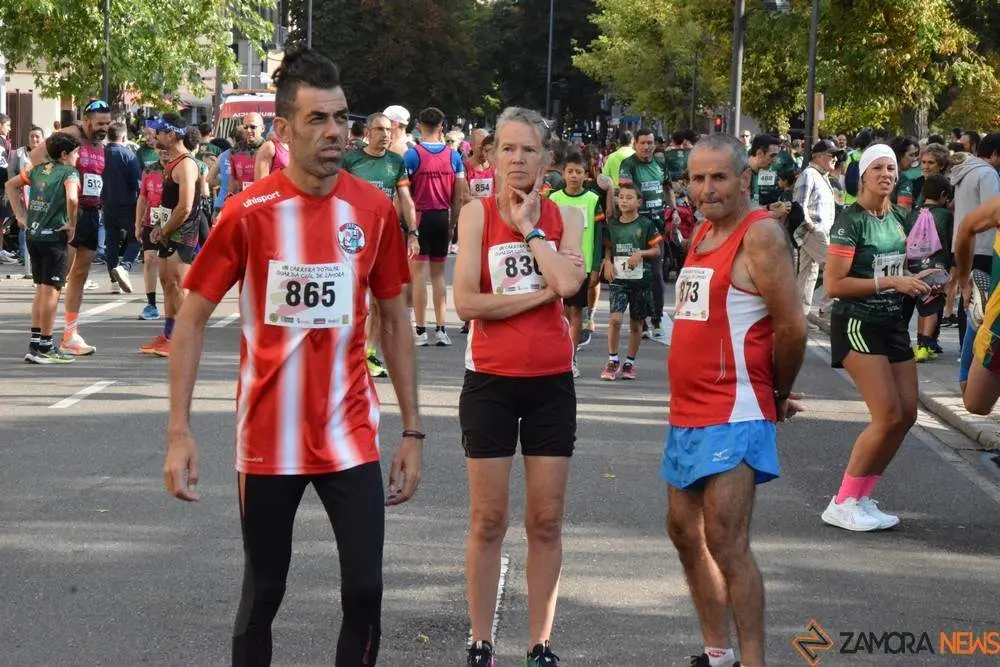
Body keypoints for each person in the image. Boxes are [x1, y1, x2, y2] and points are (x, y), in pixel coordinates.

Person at [162, 47, 422, 667]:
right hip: (267, 438)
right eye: (317, 120)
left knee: (365, 591)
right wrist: (179, 431)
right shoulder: (247, 214)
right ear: (282, 129)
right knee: (265, 592)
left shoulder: (375, 210)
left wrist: (412, 429)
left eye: (341, 118)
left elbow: (394, 317)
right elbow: (192, 319)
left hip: (349, 434)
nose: (334, 132)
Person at [664, 134, 806, 667]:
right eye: (698, 178)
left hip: (736, 412)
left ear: (744, 179)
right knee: (682, 531)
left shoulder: (761, 236)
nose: (707, 188)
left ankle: (752, 660)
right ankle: (716, 652)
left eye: (719, 177)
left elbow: (790, 328)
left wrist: (776, 393)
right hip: (688, 412)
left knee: (726, 539)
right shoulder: (702, 230)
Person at [453, 106, 585, 667]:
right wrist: (539, 296)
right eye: (506, 148)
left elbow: (571, 283)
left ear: (546, 159)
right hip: (490, 383)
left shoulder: (565, 218)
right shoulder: (477, 216)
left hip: (552, 384)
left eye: (528, 149)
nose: (517, 159)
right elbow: (466, 304)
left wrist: (532, 230)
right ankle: (481, 641)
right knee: (487, 519)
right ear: (490, 156)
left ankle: (539, 643)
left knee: (546, 520)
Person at [821, 144, 941, 532]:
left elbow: (899, 266)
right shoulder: (849, 221)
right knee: (886, 414)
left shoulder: (900, 218)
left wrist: (918, 280)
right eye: (878, 168)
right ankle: (841, 501)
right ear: (864, 176)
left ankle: (861, 495)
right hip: (858, 324)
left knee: (906, 415)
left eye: (891, 167)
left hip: (893, 324)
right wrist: (890, 281)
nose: (887, 174)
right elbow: (835, 284)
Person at [343, 111, 420, 378]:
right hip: (350, 239)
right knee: (351, 298)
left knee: (378, 301)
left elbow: (406, 199)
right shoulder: (350, 159)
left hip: (384, 238)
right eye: (380, 129)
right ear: (368, 133)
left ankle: (369, 353)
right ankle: (347, 351)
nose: (386, 134)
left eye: (389, 130)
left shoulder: (395, 162)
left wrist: (413, 232)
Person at [4, 132, 82, 364]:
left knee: (40, 289)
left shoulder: (38, 169)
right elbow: (73, 198)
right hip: (53, 236)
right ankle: (47, 345)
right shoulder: (69, 172)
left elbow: (10, 185)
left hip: (33, 235)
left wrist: (21, 215)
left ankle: (36, 343)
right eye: (76, 152)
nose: (78, 157)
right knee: (52, 291)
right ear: (65, 154)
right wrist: (72, 223)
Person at [139, 115, 202, 358]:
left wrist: (164, 230)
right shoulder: (171, 163)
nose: (157, 137)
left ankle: (186, 340)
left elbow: (185, 207)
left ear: (173, 135)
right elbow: (166, 204)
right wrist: (158, 226)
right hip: (168, 232)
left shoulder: (186, 164)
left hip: (182, 234)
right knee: (166, 282)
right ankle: (169, 334)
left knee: (178, 285)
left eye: (161, 132)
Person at [404, 107, 467, 346]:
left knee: (418, 277)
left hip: (419, 217)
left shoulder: (411, 155)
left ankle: (420, 331)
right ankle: (441, 330)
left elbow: (405, 193)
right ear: (442, 126)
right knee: (439, 275)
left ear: (419, 125)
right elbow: (458, 195)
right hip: (442, 217)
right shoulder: (454, 156)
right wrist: (453, 225)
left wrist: (409, 227)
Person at [61, 99, 112, 356]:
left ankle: (70, 333)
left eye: (108, 122)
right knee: (58, 277)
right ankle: (42, 336)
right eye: (100, 123)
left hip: (92, 213)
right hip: (71, 212)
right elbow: (41, 161)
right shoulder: (72, 136)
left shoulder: (100, 145)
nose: (105, 127)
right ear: (87, 120)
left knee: (79, 276)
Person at [548, 148, 605, 377]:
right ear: (563, 173)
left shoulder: (592, 200)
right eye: (570, 171)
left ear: (585, 175)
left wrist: (595, 267)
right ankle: (555, 355)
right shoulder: (553, 199)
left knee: (574, 312)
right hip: (557, 264)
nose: (573, 176)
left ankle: (571, 359)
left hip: (581, 265)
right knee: (556, 311)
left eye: (578, 172)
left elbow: (599, 236)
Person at [599, 183, 660, 381]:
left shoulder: (646, 224)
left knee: (636, 324)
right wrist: (607, 260)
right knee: (615, 319)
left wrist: (641, 253)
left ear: (639, 202)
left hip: (640, 280)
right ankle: (613, 359)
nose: (624, 201)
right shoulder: (612, 225)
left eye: (629, 197)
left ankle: (629, 363)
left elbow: (656, 251)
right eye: (621, 197)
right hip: (619, 279)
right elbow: (608, 247)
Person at [618, 127, 672, 338]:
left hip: (657, 228)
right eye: (643, 143)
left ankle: (657, 318)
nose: (648, 147)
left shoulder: (660, 164)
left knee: (658, 276)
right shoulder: (628, 165)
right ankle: (640, 320)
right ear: (636, 144)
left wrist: (673, 210)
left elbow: (668, 188)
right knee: (635, 277)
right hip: (634, 228)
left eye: (651, 142)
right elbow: (627, 192)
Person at [905, 175, 953, 362]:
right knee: (931, 306)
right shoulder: (945, 215)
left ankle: (918, 344)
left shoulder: (913, 214)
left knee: (920, 305)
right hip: (936, 267)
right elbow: (950, 243)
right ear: (943, 195)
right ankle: (924, 346)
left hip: (915, 267)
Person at [793, 139, 839, 320]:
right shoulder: (810, 174)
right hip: (813, 230)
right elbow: (799, 204)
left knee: (808, 273)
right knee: (834, 267)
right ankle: (828, 310)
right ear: (818, 157)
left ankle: (798, 316)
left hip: (817, 230)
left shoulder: (821, 176)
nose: (835, 159)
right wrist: (810, 225)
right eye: (831, 155)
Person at [101, 121, 142, 294]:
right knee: (137, 238)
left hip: (107, 203)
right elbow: (137, 182)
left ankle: (113, 280)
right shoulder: (128, 155)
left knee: (111, 241)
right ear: (124, 136)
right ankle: (124, 267)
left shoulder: (101, 153)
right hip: (128, 204)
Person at [134, 149, 166, 320]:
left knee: (172, 267)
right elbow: (142, 198)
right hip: (151, 222)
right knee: (150, 260)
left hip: (174, 223)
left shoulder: (181, 169)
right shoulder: (148, 171)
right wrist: (137, 223)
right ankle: (151, 304)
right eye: (161, 149)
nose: (164, 152)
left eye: (167, 149)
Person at [225, 113, 266, 196]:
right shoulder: (236, 150)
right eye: (245, 127)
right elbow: (233, 178)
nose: (248, 130)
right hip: (243, 201)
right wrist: (229, 195)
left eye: (253, 127)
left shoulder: (270, 149)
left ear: (262, 128)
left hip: (264, 200)